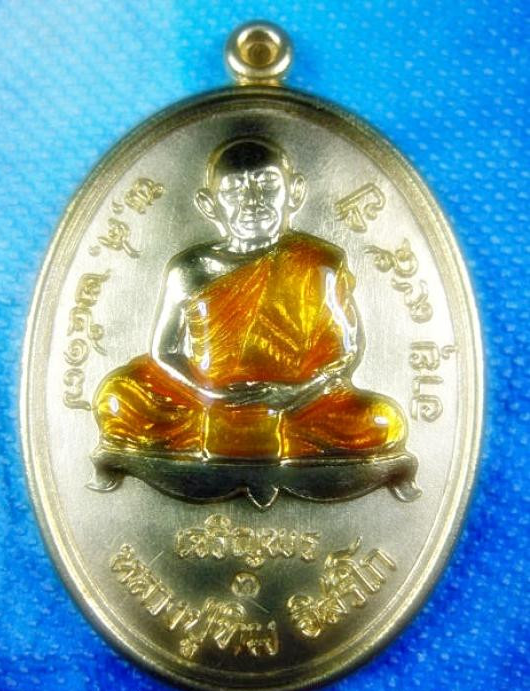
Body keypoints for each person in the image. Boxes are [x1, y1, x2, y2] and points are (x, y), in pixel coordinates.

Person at [92, 137, 407, 462]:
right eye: (233, 192)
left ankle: (266, 437)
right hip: (203, 401)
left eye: (267, 185)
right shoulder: (190, 269)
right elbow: (165, 351)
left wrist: (296, 394)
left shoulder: (319, 263)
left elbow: (346, 351)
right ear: (209, 204)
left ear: (295, 192)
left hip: (299, 406)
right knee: (117, 397)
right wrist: (207, 392)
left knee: (383, 421)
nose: (253, 202)